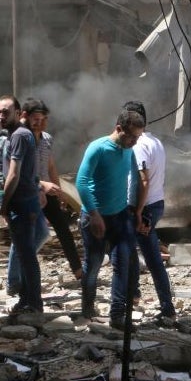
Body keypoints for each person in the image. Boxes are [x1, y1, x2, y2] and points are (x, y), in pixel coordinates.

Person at [76, 109, 144, 329]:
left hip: (120, 215)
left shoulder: (129, 151)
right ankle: (87, 307)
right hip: (94, 217)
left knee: (122, 263)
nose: (134, 142)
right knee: (93, 265)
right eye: (131, 136)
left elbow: (136, 179)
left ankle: (117, 315)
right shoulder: (98, 148)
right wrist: (94, 214)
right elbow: (82, 182)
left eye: (138, 137)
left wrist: (136, 209)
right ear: (118, 129)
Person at [8, 100, 82, 293]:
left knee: (63, 229)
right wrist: (42, 184)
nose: (39, 123)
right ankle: (16, 279)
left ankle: (79, 271)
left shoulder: (47, 138)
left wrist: (59, 190)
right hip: (28, 192)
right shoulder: (20, 138)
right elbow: (18, 172)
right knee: (35, 234)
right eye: (35, 119)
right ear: (24, 116)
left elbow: (50, 166)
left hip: (47, 191)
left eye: (42, 119)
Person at [123, 101, 176, 324]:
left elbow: (143, 181)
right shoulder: (155, 141)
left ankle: (167, 308)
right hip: (154, 204)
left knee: (152, 258)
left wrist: (138, 212)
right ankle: (134, 294)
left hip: (144, 207)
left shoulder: (139, 144)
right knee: (133, 249)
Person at [0, 95, 45, 314]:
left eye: (6, 111)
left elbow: (14, 174)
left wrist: (3, 204)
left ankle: (34, 304)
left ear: (19, 114)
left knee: (27, 256)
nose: (2, 116)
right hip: (26, 203)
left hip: (22, 205)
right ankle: (27, 300)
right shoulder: (18, 135)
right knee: (25, 254)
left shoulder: (19, 135)